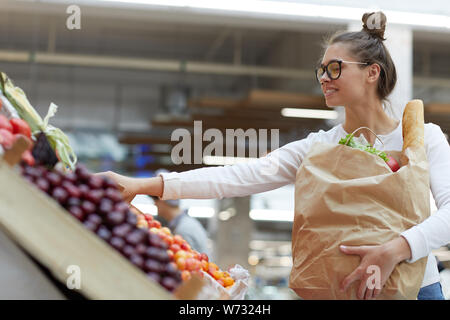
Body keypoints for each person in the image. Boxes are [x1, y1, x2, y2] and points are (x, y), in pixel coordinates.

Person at [99, 12, 450, 300]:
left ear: (372, 72)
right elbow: (239, 177)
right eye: (321, 70)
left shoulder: (420, 138)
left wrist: (396, 249)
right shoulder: (318, 148)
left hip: (414, 289)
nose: (324, 78)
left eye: (335, 68)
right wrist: (142, 184)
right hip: (337, 291)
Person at [149, 169, 211, 257]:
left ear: (163, 198)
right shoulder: (187, 224)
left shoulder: (183, 230)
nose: (154, 203)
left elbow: (190, 266)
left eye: (154, 199)